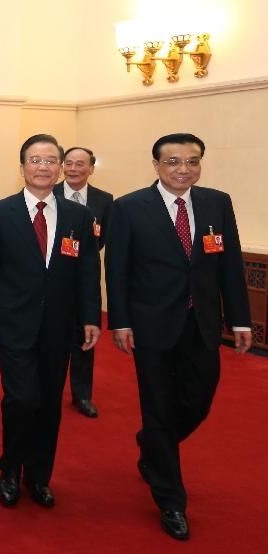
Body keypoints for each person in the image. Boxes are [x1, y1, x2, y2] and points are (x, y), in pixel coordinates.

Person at [105, 133, 251, 540]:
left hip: (201, 324)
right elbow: (116, 270)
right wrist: (120, 321)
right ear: (156, 165)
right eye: (173, 162)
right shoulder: (130, 207)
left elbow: (230, 264)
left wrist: (239, 319)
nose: (183, 169)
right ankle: (171, 500)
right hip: (151, 326)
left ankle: (152, 445)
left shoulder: (216, 203)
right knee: (158, 407)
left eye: (192, 161)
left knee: (198, 400)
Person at [0, 134, 101, 510]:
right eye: (35, 160)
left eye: (50, 161)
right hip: (15, 322)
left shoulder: (79, 216)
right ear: (22, 167)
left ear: (60, 167)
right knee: (21, 398)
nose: (43, 167)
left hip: (59, 326)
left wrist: (91, 317)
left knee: (48, 403)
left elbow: (88, 272)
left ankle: (39, 476)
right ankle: (10, 469)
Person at [53, 146, 113, 418]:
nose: (73, 169)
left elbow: (104, 238)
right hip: (52, 277)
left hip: (85, 278)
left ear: (91, 168)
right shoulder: (49, 193)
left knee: (84, 338)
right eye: (69, 163)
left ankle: (82, 395)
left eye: (80, 164)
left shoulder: (104, 200)